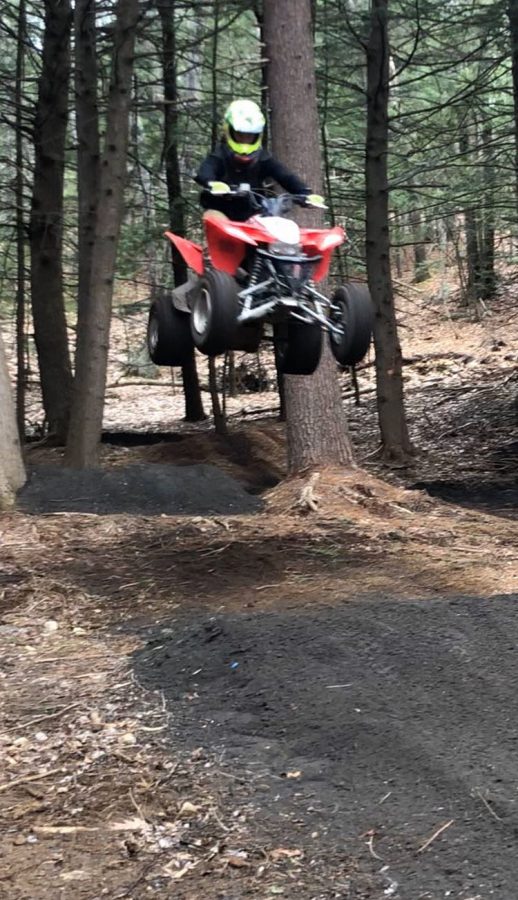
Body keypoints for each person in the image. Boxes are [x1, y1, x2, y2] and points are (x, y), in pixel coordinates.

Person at [195, 99, 325, 221]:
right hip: (221, 211)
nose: (245, 139)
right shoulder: (220, 155)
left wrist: (305, 194)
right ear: (229, 131)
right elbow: (205, 171)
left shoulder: (262, 158)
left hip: (254, 213)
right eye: (240, 135)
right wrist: (212, 183)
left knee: (276, 231)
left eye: (250, 136)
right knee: (214, 220)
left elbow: (284, 175)